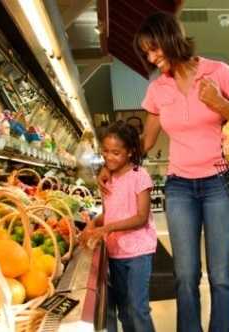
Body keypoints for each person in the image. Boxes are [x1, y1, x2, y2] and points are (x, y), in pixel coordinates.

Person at [99, 12, 229, 332]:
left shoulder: (218, 72)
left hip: (219, 182)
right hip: (180, 188)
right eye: (146, 53)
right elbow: (143, 142)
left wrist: (221, 104)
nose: (151, 57)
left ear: (172, 39)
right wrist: (110, 165)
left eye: (154, 48)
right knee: (185, 275)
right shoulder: (158, 90)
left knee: (220, 274)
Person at [81, 121, 157, 332]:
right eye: (105, 151)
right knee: (124, 309)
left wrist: (106, 229)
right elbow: (111, 213)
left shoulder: (139, 176)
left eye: (116, 152)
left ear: (130, 152)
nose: (109, 157)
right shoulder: (108, 179)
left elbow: (141, 217)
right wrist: (93, 223)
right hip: (115, 253)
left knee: (138, 307)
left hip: (138, 252)